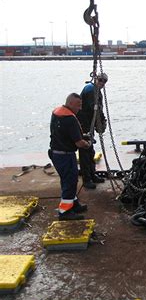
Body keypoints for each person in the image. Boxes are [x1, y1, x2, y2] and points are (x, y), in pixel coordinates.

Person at [49, 93, 92, 221]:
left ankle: (74, 203)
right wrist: (87, 144)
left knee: (68, 180)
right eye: (78, 105)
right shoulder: (70, 119)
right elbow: (79, 143)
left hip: (56, 153)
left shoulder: (57, 113)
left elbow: (64, 133)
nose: (80, 108)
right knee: (70, 182)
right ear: (71, 103)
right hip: (65, 156)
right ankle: (65, 212)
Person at [77, 74, 108, 189]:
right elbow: (93, 109)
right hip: (84, 124)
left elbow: (98, 108)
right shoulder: (90, 90)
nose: (102, 83)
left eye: (104, 82)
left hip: (89, 123)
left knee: (90, 150)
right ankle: (87, 179)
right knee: (85, 151)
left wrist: (101, 120)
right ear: (95, 79)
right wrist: (99, 123)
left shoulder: (96, 90)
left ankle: (92, 174)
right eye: (100, 80)